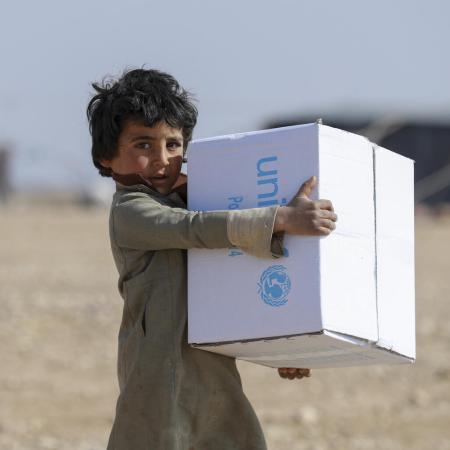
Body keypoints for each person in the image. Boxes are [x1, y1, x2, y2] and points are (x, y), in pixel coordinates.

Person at [87, 68, 337, 450]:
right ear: (106, 156)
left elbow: (234, 286)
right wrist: (280, 218)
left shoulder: (189, 200)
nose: (162, 160)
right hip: (158, 375)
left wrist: (283, 349)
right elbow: (195, 229)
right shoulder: (131, 211)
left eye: (173, 145)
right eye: (143, 145)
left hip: (214, 370)